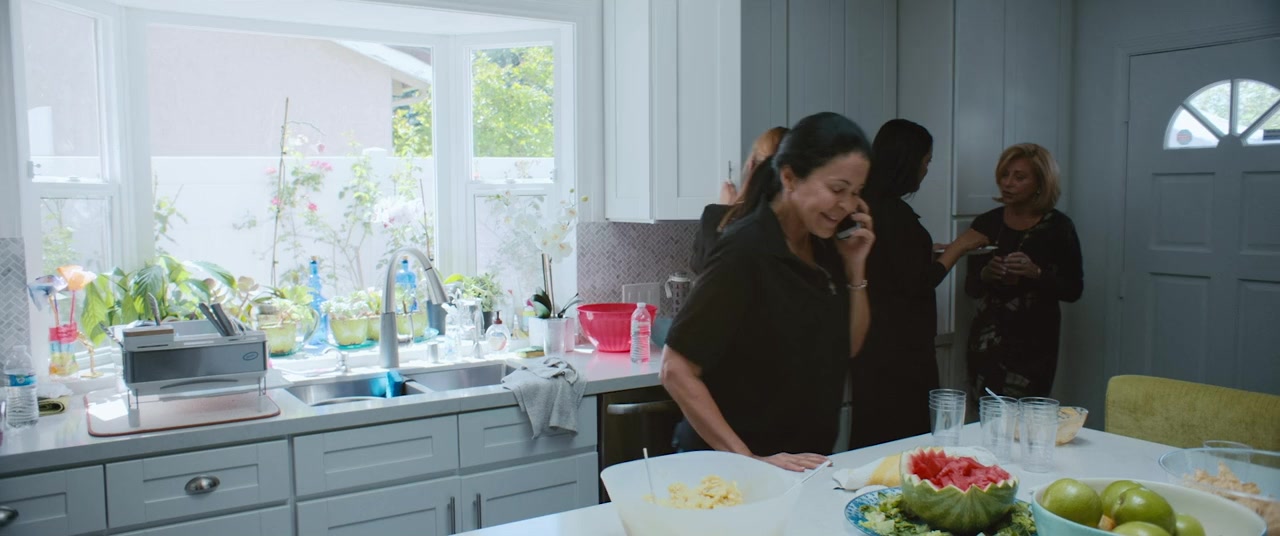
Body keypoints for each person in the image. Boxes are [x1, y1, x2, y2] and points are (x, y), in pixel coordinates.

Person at [661, 112, 876, 472]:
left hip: (801, 466)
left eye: (856, 193)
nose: (848, 205)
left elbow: (848, 348)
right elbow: (675, 369)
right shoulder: (745, 250)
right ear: (789, 177)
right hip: (732, 471)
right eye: (838, 189)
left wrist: (855, 269)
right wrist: (749, 461)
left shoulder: (825, 247)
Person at [849, 119, 989, 449]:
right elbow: (919, 283)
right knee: (902, 437)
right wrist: (958, 247)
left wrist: (926, 251)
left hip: (871, 343)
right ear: (908, 161)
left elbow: (890, 265)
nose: (926, 170)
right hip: (901, 350)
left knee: (872, 434)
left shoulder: (866, 204)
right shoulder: (895, 213)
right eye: (926, 161)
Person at [965, 143, 1083, 399]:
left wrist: (1036, 273)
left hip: (1035, 344)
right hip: (987, 339)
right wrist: (986, 274)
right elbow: (970, 288)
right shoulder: (986, 223)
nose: (1008, 183)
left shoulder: (1058, 227)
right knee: (986, 410)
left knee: (1026, 413)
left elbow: (1074, 289)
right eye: (1004, 175)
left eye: (1019, 177)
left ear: (1040, 182)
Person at [690, 127, 789, 274]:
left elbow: (703, 270)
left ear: (751, 165)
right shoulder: (799, 228)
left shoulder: (716, 217)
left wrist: (725, 210)